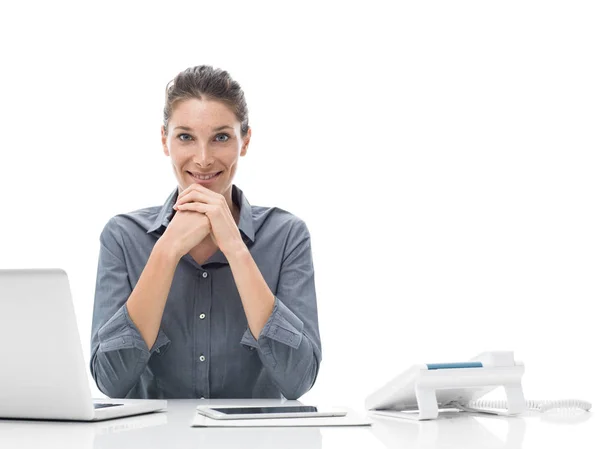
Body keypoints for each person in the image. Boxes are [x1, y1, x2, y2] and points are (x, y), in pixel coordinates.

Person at [90, 65, 322, 400]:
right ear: (164, 141)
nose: (202, 159)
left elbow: (297, 379)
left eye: (221, 137)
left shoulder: (287, 236)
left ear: (245, 141)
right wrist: (166, 251)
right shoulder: (123, 237)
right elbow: (111, 382)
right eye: (185, 137)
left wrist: (236, 249)